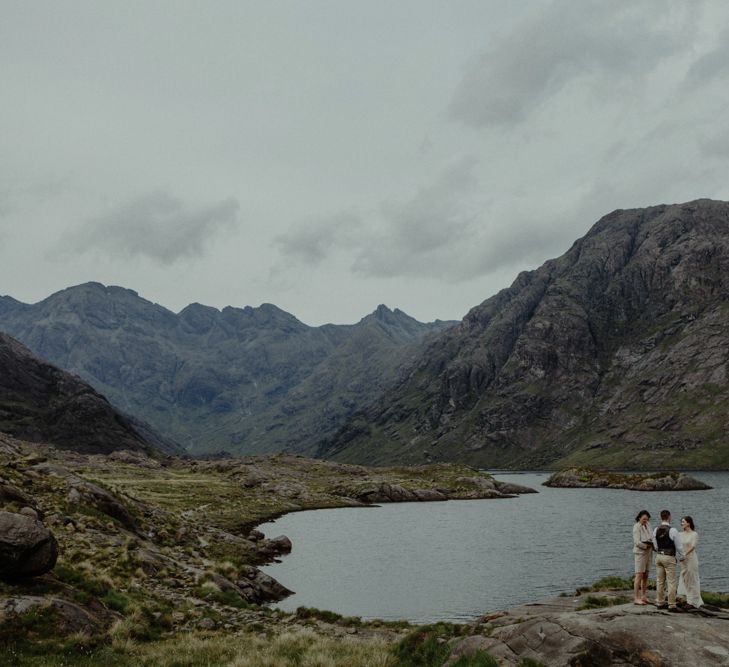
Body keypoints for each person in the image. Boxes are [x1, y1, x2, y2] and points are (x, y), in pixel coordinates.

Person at [652, 509, 684, 611]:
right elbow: (679, 546)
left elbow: (655, 546)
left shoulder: (655, 529)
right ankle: (671, 604)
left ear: (661, 517)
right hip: (669, 557)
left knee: (660, 581)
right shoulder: (673, 530)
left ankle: (660, 602)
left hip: (659, 557)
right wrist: (683, 556)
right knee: (671, 581)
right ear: (669, 517)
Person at [677, 515, 703, 609]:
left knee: (693, 579)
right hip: (683, 560)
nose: (681, 523)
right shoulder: (680, 534)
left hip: (691, 559)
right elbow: (678, 546)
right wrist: (681, 555)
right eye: (681, 522)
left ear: (688, 523)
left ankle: (693, 601)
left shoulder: (694, 534)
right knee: (685, 579)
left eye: (683, 522)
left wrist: (685, 554)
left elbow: (692, 547)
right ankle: (689, 600)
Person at [632, 510, 652, 604]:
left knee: (646, 574)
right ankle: (636, 597)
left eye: (647, 519)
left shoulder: (648, 525)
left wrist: (652, 543)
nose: (645, 521)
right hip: (640, 553)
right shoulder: (636, 527)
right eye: (644, 519)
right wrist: (645, 546)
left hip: (649, 552)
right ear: (639, 517)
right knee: (639, 575)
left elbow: (652, 536)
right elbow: (637, 542)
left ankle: (644, 595)